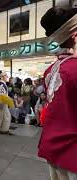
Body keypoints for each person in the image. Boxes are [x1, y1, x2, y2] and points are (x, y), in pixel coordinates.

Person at [38, 6, 77, 179]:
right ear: (75, 35)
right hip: (72, 151)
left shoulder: (49, 70)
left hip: (51, 145)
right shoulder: (74, 68)